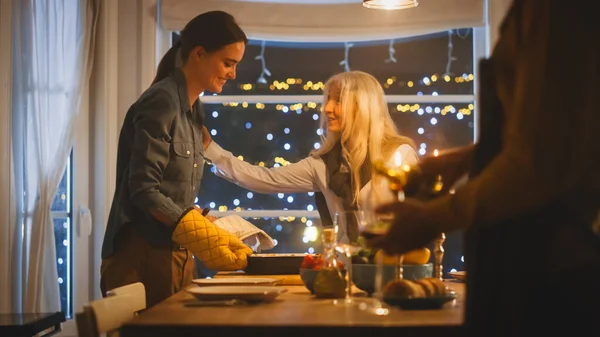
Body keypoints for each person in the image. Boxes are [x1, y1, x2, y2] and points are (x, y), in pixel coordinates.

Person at [370, 1, 600, 335]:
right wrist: (468, 158)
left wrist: (434, 216)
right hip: (530, 267)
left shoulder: (552, 10)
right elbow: (550, 134)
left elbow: (537, 165)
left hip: (543, 273)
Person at [100, 10, 253, 308]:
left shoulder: (195, 111)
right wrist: (194, 227)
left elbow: (171, 193)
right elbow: (144, 190)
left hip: (176, 253)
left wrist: (204, 222)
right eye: (228, 63)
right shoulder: (162, 101)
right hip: (143, 255)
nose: (233, 74)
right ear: (199, 53)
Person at [201, 70, 419, 245]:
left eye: (338, 100)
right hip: (343, 269)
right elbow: (265, 179)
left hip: (393, 265)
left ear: (363, 107)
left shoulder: (399, 155)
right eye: (328, 100)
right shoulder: (322, 164)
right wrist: (210, 149)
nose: (327, 108)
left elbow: (418, 218)